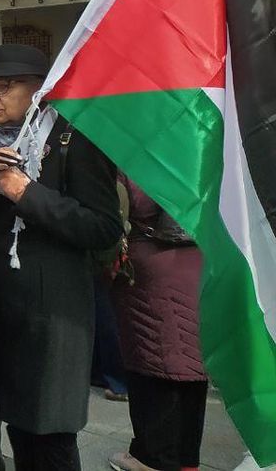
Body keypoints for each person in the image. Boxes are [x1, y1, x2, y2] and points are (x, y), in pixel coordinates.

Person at [0, 44, 122, 471]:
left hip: (52, 317)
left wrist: (27, 193)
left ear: (39, 91)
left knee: (49, 437)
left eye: (6, 86)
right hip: (0, 312)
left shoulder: (75, 139)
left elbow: (103, 226)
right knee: (17, 427)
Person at [108, 177, 208, 471]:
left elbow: (134, 205)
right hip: (199, 263)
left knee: (154, 367)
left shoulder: (145, 150)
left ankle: (150, 458)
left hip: (153, 275)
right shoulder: (203, 141)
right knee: (191, 370)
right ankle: (187, 461)